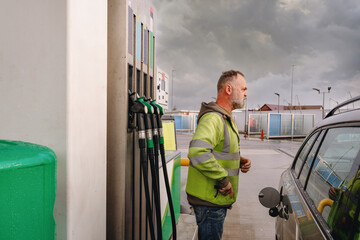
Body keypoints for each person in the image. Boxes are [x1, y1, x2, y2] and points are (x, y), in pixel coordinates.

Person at [185, 70, 251, 240]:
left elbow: (218, 151)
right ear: (228, 89)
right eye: (243, 89)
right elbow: (198, 152)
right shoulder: (214, 119)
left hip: (214, 201)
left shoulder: (226, 118)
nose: (246, 94)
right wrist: (223, 179)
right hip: (209, 202)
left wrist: (237, 160)